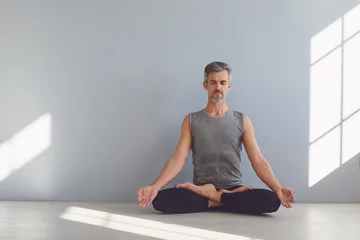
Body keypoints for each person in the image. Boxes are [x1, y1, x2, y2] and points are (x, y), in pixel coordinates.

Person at [137, 61, 295, 214]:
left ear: (229, 87)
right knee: (159, 200)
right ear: (205, 85)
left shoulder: (242, 120)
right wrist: (155, 187)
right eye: (213, 82)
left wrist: (277, 188)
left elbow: (258, 159)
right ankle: (226, 201)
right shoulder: (191, 120)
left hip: (233, 189)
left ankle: (213, 197)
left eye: (222, 82)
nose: (218, 87)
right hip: (200, 188)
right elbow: (178, 159)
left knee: (272, 200)